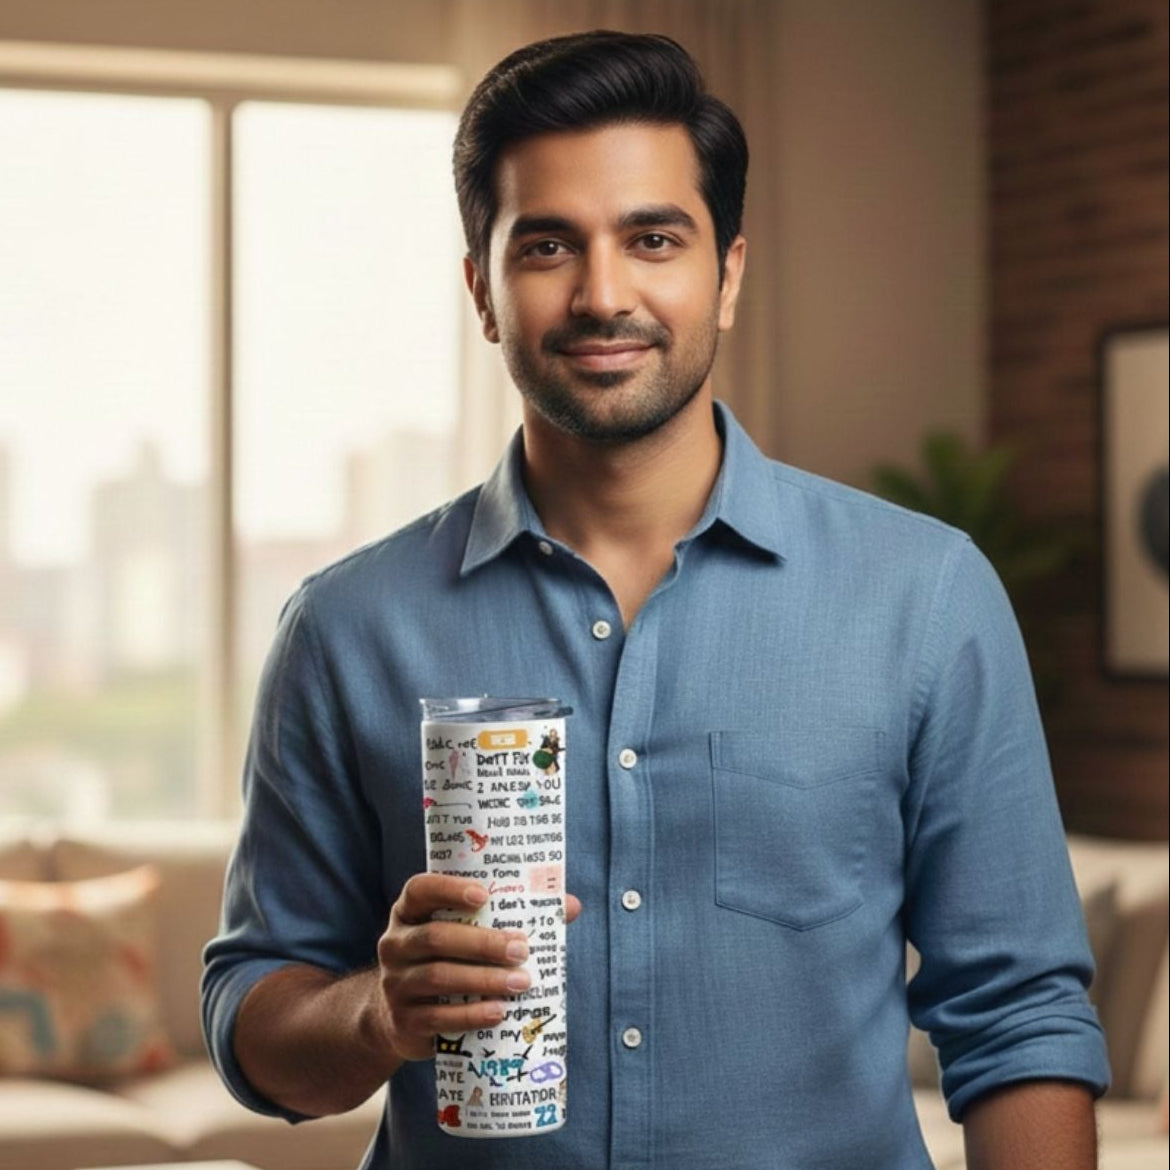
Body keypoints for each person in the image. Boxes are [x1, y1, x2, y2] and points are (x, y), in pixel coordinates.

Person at [202, 30, 1110, 1169]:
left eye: (653, 239)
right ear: (483, 292)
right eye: (547, 245)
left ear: (726, 274)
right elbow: (250, 1012)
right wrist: (378, 1017)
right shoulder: (345, 631)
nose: (602, 293)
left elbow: (1020, 1016)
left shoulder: (925, 599)